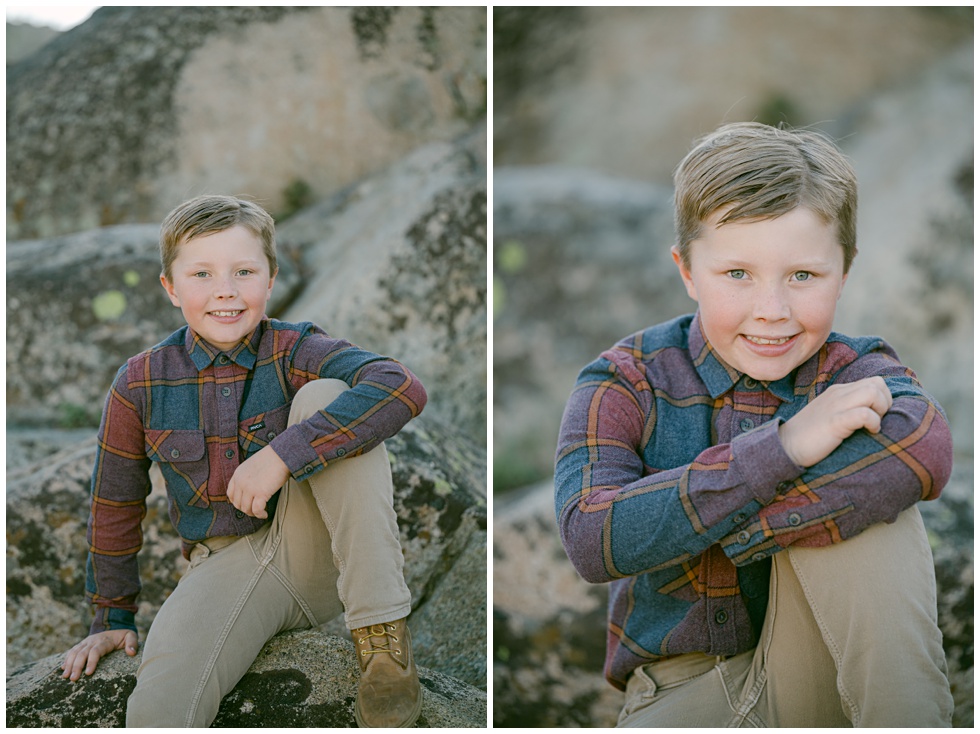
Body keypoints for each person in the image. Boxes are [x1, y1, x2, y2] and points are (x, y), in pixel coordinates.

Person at [554, 122, 954, 727]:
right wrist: (784, 447)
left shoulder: (854, 369)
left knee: (870, 505)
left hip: (818, 675)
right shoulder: (625, 379)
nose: (772, 309)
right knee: (840, 480)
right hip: (680, 693)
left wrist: (751, 527)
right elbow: (590, 536)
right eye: (737, 274)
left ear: (844, 272)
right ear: (687, 271)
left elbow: (925, 445)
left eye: (803, 276)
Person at [61, 194, 428, 728]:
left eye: (244, 271)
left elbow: (400, 385)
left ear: (271, 278)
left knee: (327, 398)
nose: (225, 291)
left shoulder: (295, 347)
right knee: (158, 710)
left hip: (321, 555)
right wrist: (110, 616)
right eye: (202, 274)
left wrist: (284, 453)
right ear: (170, 287)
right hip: (224, 567)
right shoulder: (139, 382)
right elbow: (115, 502)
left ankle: (383, 642)